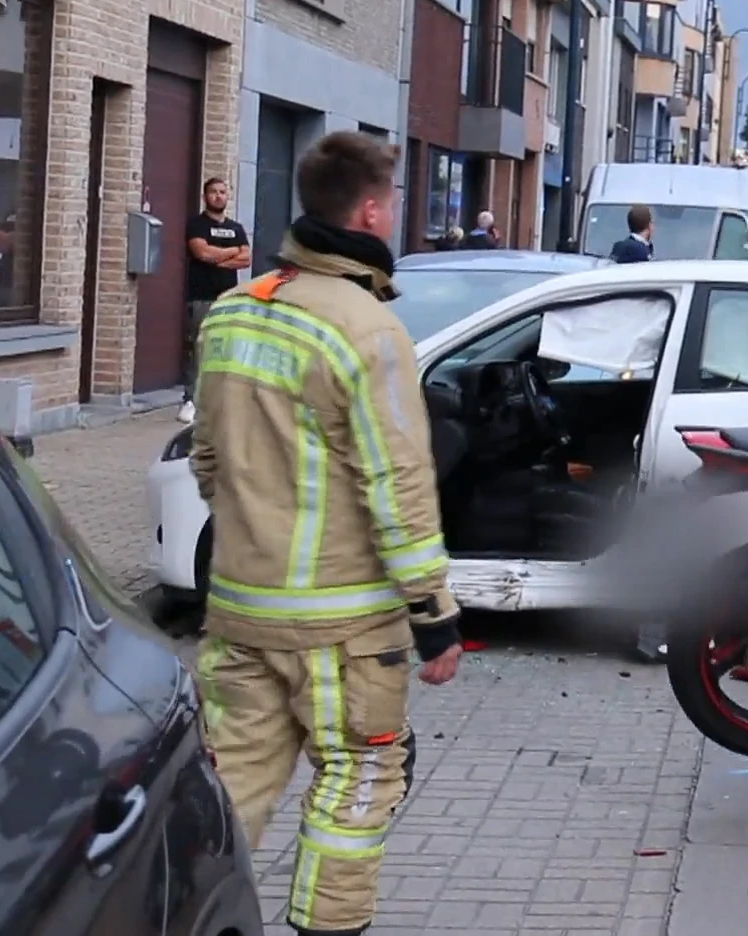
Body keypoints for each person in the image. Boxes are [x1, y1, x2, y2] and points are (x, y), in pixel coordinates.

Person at [188, 131, 465, 936]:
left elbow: (209, 458)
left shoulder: (239, 311)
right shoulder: (368, 330)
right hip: (344, 626)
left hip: (238, 608)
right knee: (359, 780)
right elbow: (398, 484)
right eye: (397, 203)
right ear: (373, 210)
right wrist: (434, 613)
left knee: (231, 787)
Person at [179, 176, 250, 424]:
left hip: (229, 298)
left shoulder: (236, 227)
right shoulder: (196, 225)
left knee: (225, 348)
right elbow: (201, 252)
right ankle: (191, 400)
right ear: (205, 196)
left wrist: (217, 257)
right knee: (198, 348)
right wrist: (231, 252)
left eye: (223, 192)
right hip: (201, 297)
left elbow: (246, 259)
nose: (219, 196)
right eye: (213, 192)